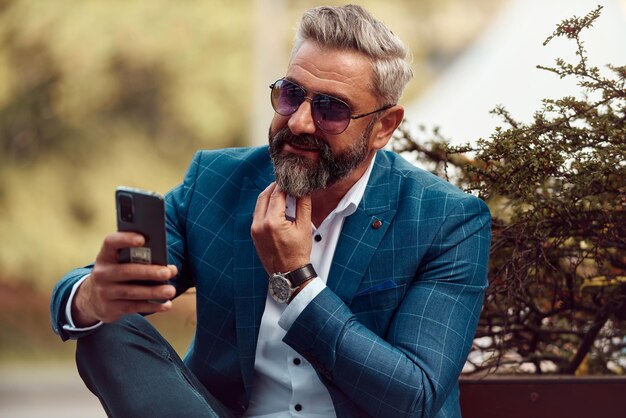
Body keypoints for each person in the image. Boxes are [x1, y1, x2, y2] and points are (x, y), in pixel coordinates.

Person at [50, 5, 490, 418]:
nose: (299, 122)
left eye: (331, 109)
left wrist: (298, 279)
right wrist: (92, 295)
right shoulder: (217, 181)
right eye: (291, 94)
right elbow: (96, 291)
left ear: (383, 127)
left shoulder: (446, 220)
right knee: (103, 326)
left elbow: (415, 397)